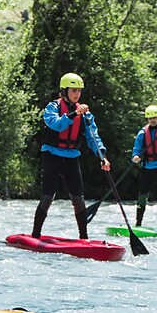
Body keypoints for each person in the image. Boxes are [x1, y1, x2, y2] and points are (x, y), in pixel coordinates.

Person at [33, 72, 111, 239]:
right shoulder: (52, 108)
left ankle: (84, 237)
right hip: (52, 156)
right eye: (73, 90)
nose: (77, 94)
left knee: (78, 199)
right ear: (65, 91)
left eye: (79, 91)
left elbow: (93, 137)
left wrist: (102, 156)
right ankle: (35, 235)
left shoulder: (85, 114)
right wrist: (74, 114)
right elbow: (56, 125)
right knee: (48, 197)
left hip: (71, 158)